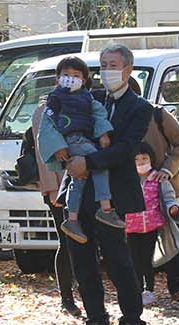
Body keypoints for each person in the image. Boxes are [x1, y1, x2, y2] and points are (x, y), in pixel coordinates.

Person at [61, 44, 151, 325]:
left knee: (117, 257)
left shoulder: (139, 107)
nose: (107, 70)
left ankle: (132, 316)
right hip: (79, 188)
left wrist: (88, 162)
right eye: (103, 64)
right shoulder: (89, 98)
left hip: (114, 193)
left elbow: (125, 148)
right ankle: (96, 317)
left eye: (113, 64)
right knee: (82, 258)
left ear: (127, 68)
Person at [40, 56, 122, 244]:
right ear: (57, 79)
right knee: (99, 164)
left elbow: (99, 114)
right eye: (66, 74)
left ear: (84, 79)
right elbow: (47, 125)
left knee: (78, 180)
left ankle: (72, 219)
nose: (70, 78)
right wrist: (58, 146)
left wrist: (103, 134)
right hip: (73, 139)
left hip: (82, 140)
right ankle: (106, 208)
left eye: (76, 75)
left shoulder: (87, 98)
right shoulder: (54, 99)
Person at [137, 75, 179, 300]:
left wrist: (167, 169)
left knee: (171, 234)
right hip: (136, 186)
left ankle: (176, 286)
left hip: (164, 183)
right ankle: (145, 287)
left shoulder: (157, 113)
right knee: (140, 242)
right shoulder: (114, 117)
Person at [24, 103, 80, 316]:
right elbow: (42, 154)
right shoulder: (44, 110)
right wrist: (52, 189)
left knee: (84, 242)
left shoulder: (85, 101)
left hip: (83, 182)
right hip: (58, 186)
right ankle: (66, 297)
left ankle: (86, 293)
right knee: (66, 242)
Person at [127, 148, 179, 305]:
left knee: (146, 260)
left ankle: (149, 290)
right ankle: (135, 290)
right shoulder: (126, 180)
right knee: (133, 260)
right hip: (130, 228)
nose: (141, 163)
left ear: (151, 160)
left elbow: (169, 198)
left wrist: (173, 208)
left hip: (151, 226)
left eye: (144, 159)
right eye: (137, 159)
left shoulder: (159, 180)